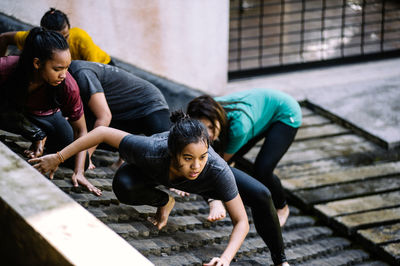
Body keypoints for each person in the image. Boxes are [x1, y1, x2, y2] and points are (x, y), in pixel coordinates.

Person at [30, 111, 290, 265]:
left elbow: (241, 222)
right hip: (154, 175)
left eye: (202, 156)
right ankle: (165, 202)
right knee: (123, 185)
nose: (196, 165)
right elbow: (101, 132)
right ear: (172, 152)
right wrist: (59, 157)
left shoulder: (215, 169)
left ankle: (281, 260)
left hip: (208, 182)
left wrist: (225, 259)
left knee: (261, 194)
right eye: (188, 158)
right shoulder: (151, 150)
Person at [0, 27, 100, 196]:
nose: (63, 74)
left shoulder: (68, 85)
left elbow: (80, 130)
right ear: (37, 63)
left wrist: (79, 172)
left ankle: (43, 138)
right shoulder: (5, 68)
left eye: (67, 68)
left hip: (47, 118)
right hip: (11, 112)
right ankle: (36, 135)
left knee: (80, 162)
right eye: (57, 69)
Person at [186, 89, 302, 227]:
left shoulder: (239, 128)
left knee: (262, 170)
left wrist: (209, 197)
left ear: (218, 118)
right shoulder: (205, 109)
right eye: (204, 128)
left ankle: (282, 207)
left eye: (211, 127)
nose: (209, 134)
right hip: (261, 112)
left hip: (286, 112)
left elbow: (218, 164)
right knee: (229, 153)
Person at [68, 60, 170, 169]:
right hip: (122, 112)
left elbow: (104, 117)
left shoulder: (81, 73)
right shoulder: (69, 74)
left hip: (152, 105)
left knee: (167, 149)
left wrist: (86, 158)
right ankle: (122, 160)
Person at [0, 8, 112, 65]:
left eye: (66, 36)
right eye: (56, 39)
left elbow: (94, 70)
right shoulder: (35, 38)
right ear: (44, 35)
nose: (62, 43)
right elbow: (4, 38)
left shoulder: (80, 38)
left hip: (103, 65)